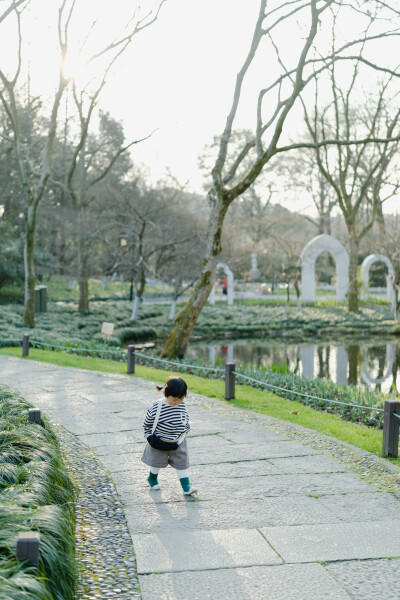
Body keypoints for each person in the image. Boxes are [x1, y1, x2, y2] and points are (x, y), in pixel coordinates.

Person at [141, 375, 197, 496]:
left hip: (178, 440)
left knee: (182, 463)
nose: (176, 402)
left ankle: (186, 487)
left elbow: (185, 418)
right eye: (173, 399)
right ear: (165, 393)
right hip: (159, 440)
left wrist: (186, 428)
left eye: (180, 398)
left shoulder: (181, 405)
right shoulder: (157, 406)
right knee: (157, 462)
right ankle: (152, 478)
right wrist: (149, 436)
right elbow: (147, 423)